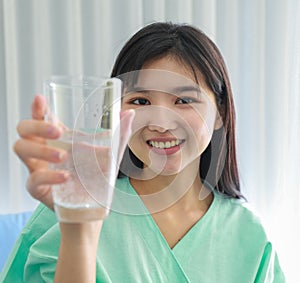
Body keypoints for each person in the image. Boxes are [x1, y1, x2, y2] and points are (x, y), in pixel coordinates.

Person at [0, 22, 285, 282]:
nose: (160, 123)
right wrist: (79, 232)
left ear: (220, 113)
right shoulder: (70, 205)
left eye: (184, 100)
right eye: (140, 100)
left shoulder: (249, 235)